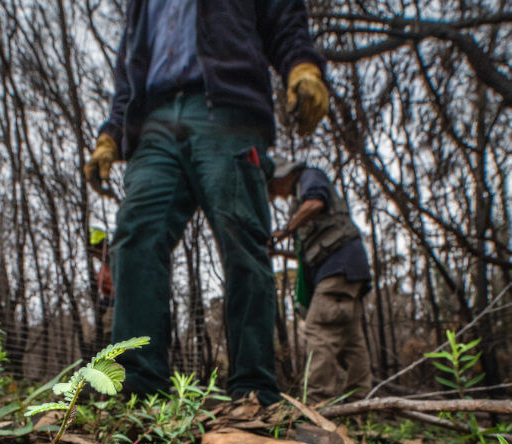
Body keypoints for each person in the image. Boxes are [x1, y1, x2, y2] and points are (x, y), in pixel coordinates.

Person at [84, 1, 328, 405]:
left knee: (243, 239)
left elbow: (282, 16)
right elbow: (129, 67)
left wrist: (302, 65)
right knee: (134, 235)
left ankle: (253, 391)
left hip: (228, 106)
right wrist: (111, 133)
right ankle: (138, 393)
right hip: (153, 122)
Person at [268, 161, 373, 403]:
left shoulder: (309, 176)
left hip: (338, 268)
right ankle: (361, 406)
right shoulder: (303, 191)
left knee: (318, 330)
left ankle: (317, 406)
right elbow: (312, 253)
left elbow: (315, 202)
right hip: (347, 270)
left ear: (285, 175)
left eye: (273, 185)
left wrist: (285, 231)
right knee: (352, 341)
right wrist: (281, 254)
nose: (275, 192)